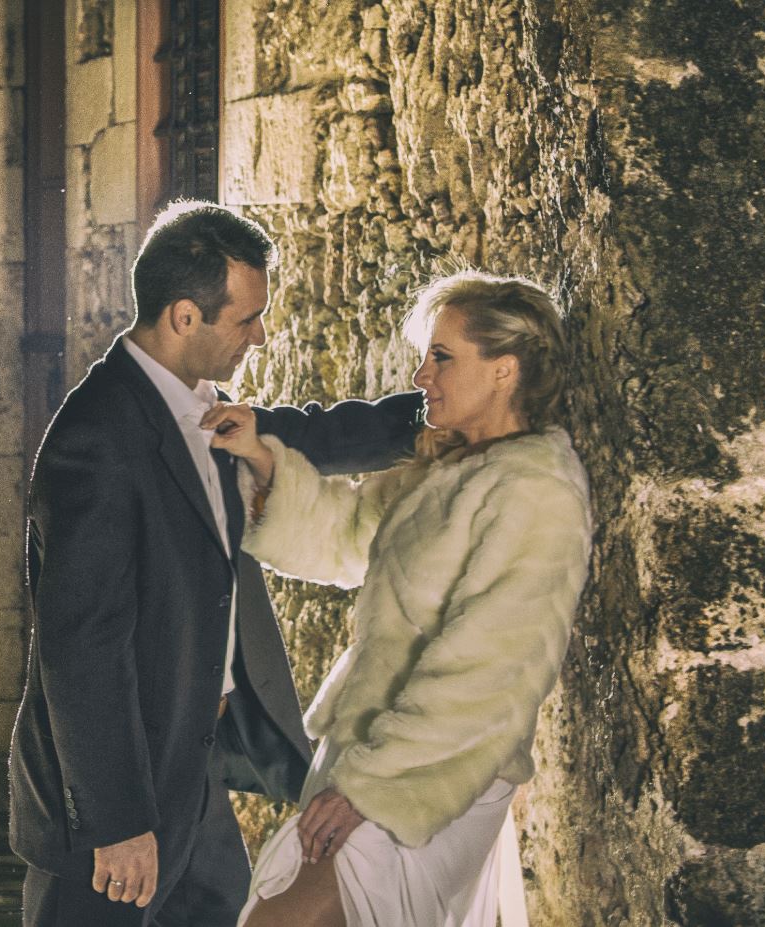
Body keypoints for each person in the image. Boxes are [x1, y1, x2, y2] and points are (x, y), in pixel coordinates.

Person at [8, 200, 423, 927]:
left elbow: (304, 436)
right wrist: (117, 821)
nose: (260, 337)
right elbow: (81, 649)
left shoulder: (206, 409)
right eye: (246, 319)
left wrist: (435, 415)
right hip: (121, 795)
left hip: (195, 774)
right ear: (183, 317)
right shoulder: (97, 438)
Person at [203, 270, 593, 926]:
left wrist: (370, 787)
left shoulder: (537, 489)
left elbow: (491, 670)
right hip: (369, 749)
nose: (420, 376)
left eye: (442, 357)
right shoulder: (445, 467)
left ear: (504, 370)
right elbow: (343, 537)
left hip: (429, 774)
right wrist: (263, 460)